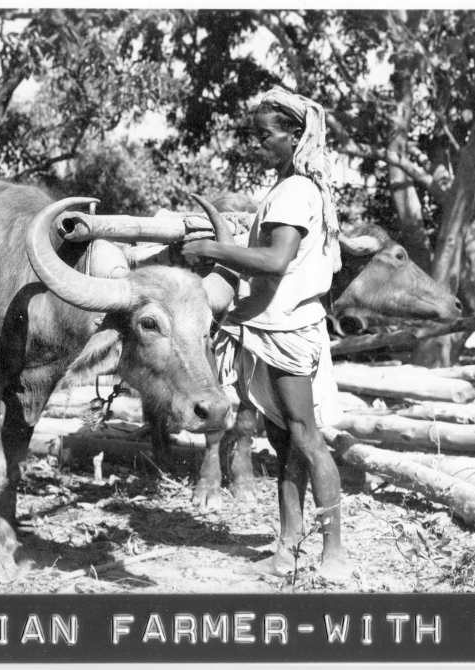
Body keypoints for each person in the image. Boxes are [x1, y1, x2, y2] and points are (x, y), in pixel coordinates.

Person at [182, 87, 353, 582]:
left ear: (295, 136)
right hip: (272, 324)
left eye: (266, 135)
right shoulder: (288, 187)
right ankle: (287, 549)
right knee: (284, 443)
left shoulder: (296, 190)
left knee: (307, 438)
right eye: (253, 136)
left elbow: (276, 262)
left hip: (285, 326)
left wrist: (214, 250)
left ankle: (335, 554)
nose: (257, 144)